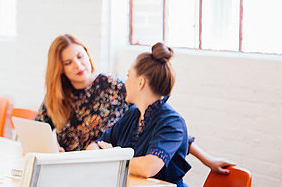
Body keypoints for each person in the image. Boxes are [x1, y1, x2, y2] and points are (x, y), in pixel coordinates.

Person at [36, 34, 233, 173]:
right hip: (70, 170)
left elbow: (167, 127)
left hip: (104, 171)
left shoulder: (116, 87)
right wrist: (53, 148)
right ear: (59, 68)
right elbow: (38, 132)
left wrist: (208, 160)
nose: (78, 65)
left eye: (80, 57)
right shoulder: (56, 96)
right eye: (68, 62)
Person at [88, 43, 200, 187]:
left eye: (128, 76)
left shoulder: (171, 121)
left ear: (140, 82)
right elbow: (94, 145)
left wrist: (111, 155)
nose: (125, 82)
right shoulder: (132, 114)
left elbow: (149, 167)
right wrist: (102, 152)